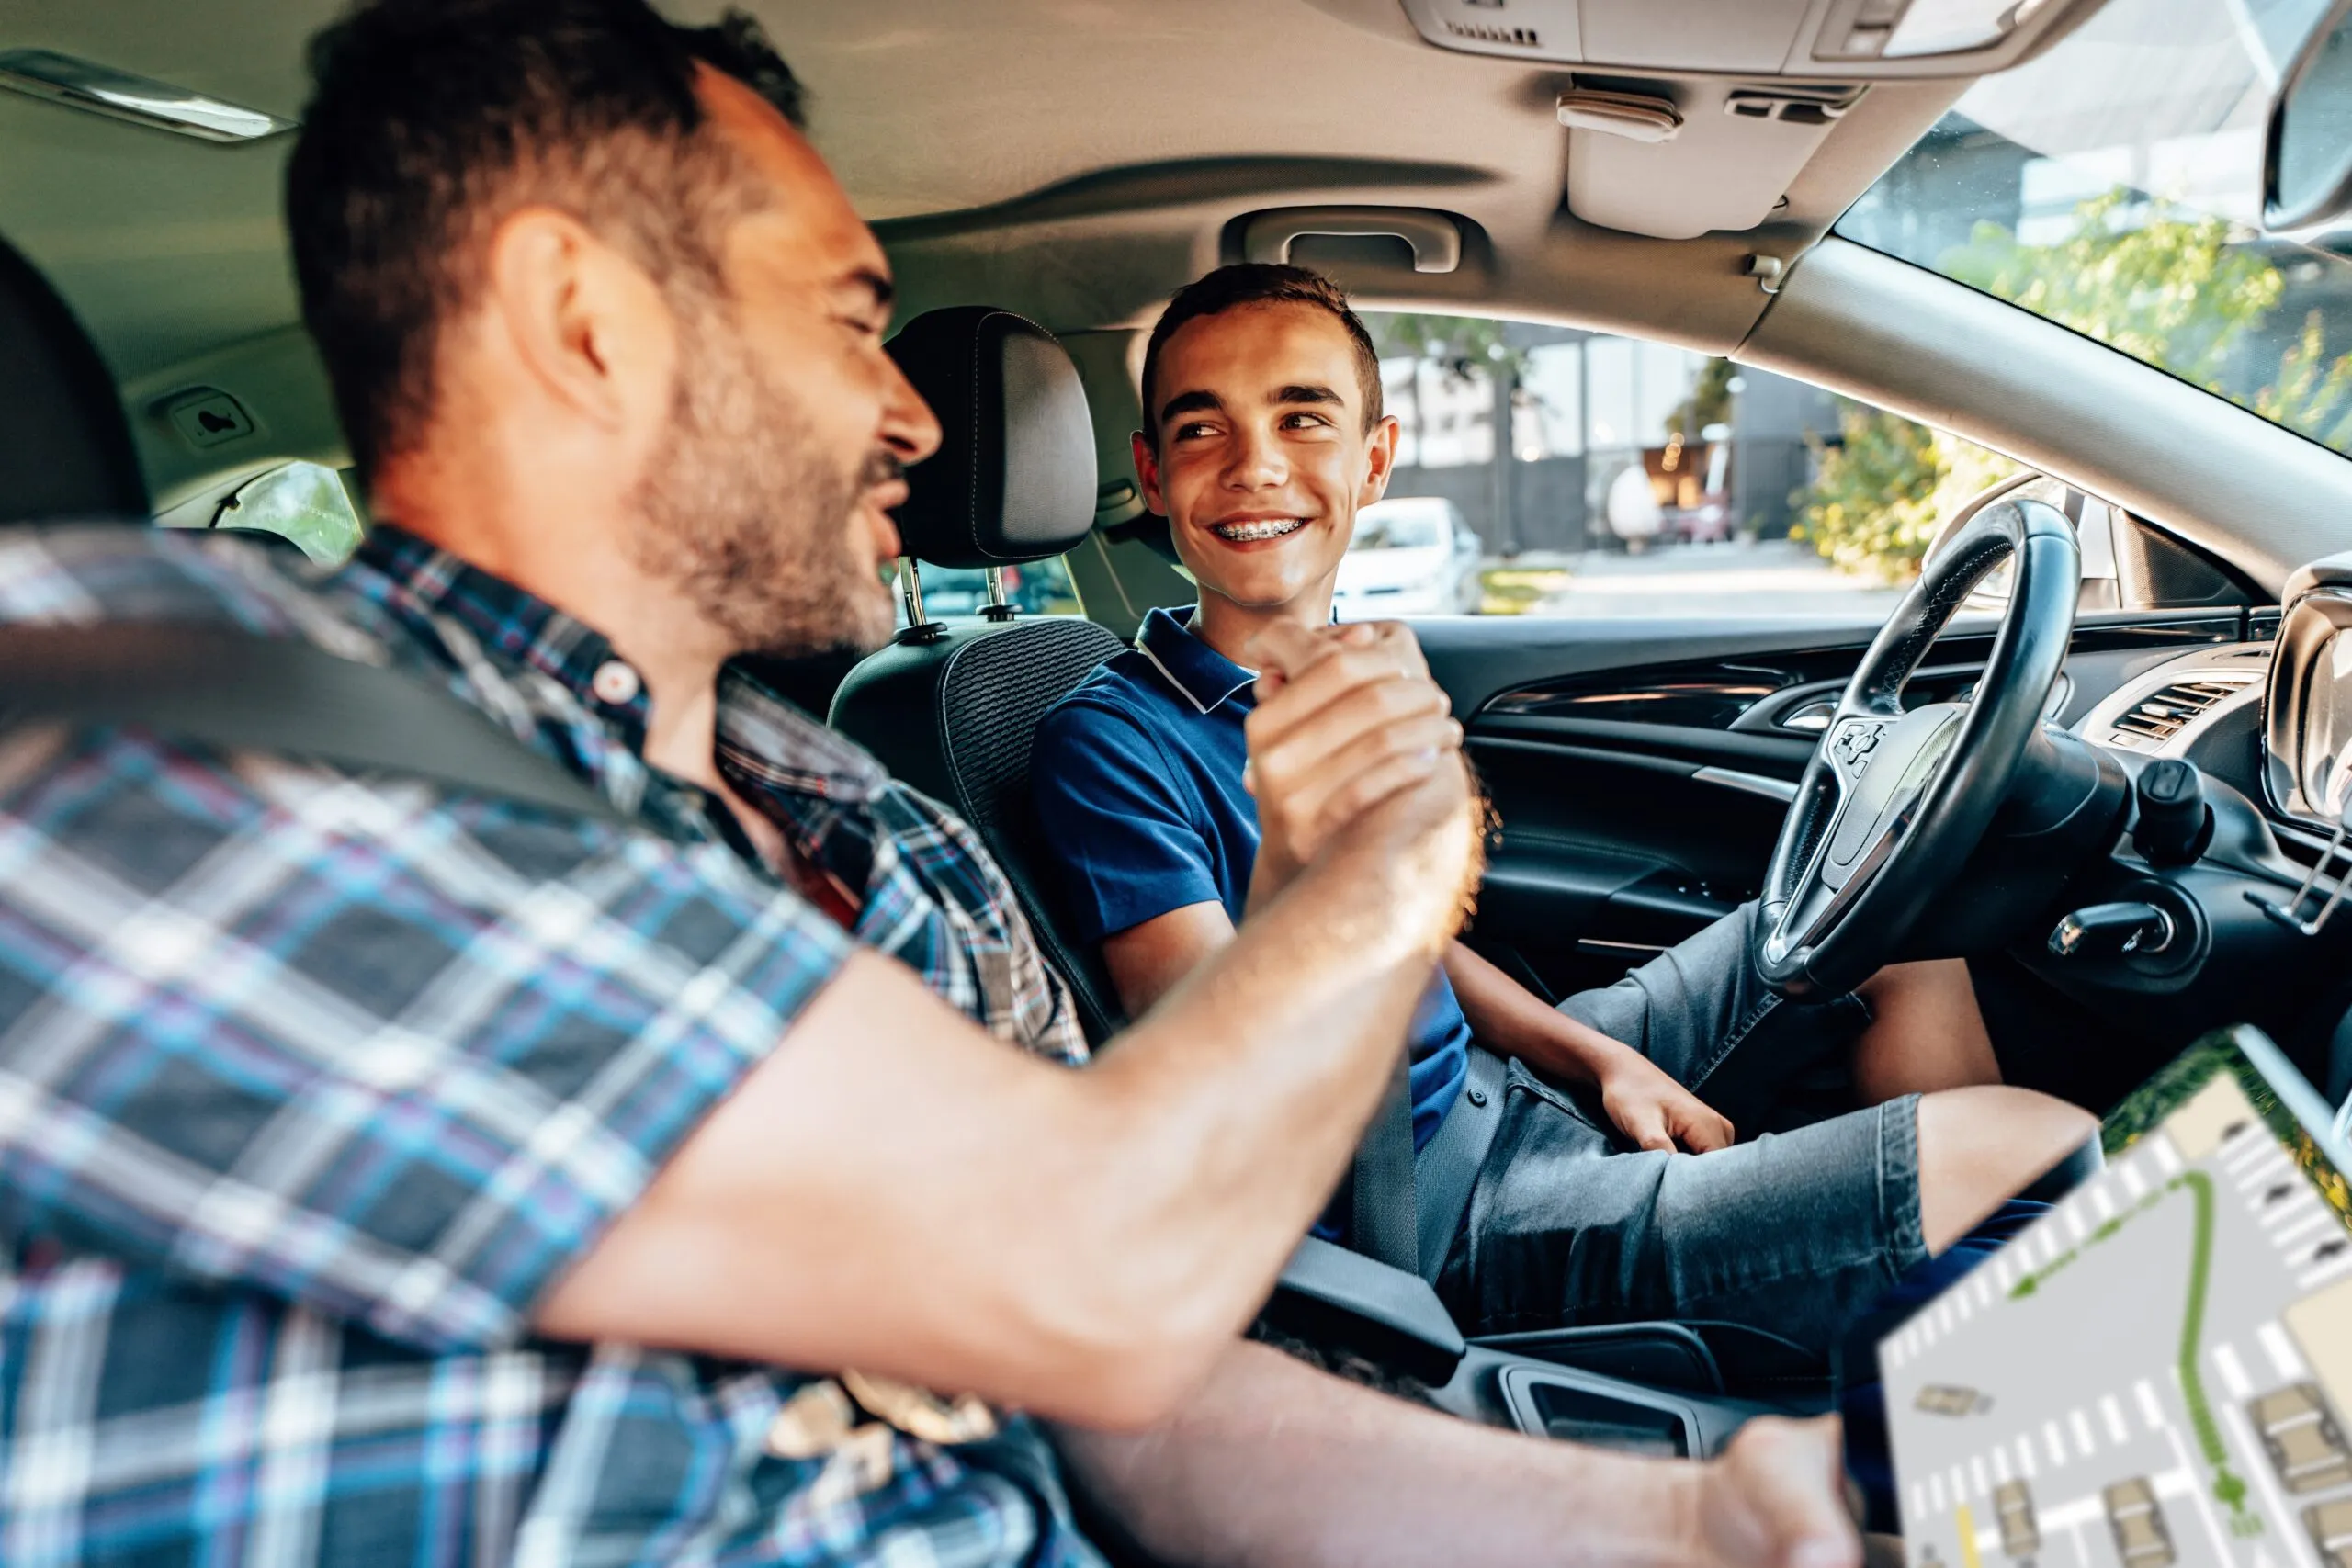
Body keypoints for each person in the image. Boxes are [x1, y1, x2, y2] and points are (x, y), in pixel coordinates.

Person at [0, 3, 1865, 1562]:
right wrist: (1371, 872)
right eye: (843, 321)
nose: (908, 413)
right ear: (584, 320)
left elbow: (1130, 1389)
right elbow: (1096, 1268)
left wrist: (1698, 1527)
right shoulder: (170, 742)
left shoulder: (861, 823)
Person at [1028, 262, 2098, 1353]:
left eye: (1302, 418)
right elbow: (1210, 1083)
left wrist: (1594, 1059)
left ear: (1373, 460)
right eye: (1201, 430)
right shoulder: (1111, 741)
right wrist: (1310, 873)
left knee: (1890, 924)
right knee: (2029, 1149)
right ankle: (1940, 1336)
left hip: (1499, 1084)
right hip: (1433, 1213)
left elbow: (1416, 953)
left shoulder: (1352, 671)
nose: (1255, 465)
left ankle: (1903, 1294)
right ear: (1152, 476)